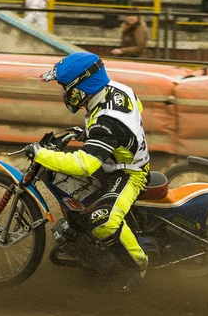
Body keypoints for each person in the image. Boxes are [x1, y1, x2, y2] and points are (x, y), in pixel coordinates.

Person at [33, 52, 150, 289]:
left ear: (81, 87)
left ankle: (138, 267)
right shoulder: (114, 89)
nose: (64, 93)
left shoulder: (108, 121)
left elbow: (85, 164)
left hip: (129, 173)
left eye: (66, 87)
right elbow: (136, 108)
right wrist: (88, 133)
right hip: (114, 161)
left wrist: (40, 154)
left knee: (103, 222)